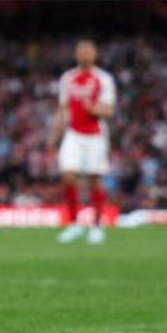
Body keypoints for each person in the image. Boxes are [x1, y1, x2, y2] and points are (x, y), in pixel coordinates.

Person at [52, 39, 117, 245]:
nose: (85, 55)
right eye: (81, 51)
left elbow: (109, 110)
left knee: (93, 180)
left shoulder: (103, 79)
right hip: (73, 134)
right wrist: (54, 135)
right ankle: (74, 224)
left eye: (88, 51)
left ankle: (96, 227)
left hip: (95, 135)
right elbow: (63, 108)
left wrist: (94, 109)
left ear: (95, 54)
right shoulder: (68, 78)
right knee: (68, 175)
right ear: (76, 55)